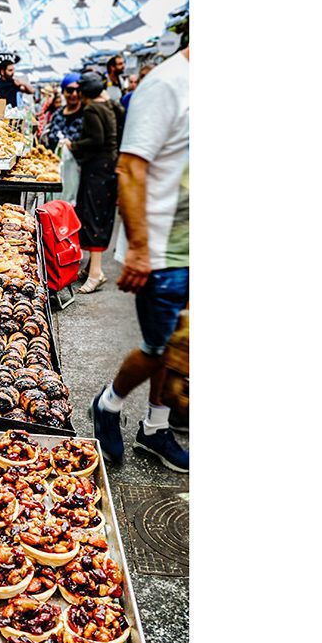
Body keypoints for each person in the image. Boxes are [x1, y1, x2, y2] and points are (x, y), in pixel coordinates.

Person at [89, 41, 190, 473]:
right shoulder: (166, 84)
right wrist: (139, 250)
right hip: (165, 248)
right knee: (158, 348)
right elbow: (130, 168)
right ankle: (108, 404)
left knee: (182, 347)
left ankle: (157, 425)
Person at [68, 72, 122, 294]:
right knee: (102, 214)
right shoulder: (111, 104)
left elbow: (95, 139)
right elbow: (122, 120)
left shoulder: (91, 109)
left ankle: (96, 273)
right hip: (111, 165)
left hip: (97, 169)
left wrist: (74, 145)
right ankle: (92, 266)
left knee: (92, 215)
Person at [43, 73, 85, 150]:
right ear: (63, 92)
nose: (74, 94)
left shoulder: (86, 115)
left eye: (78, 90)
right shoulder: (57, 114)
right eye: (70, 90)